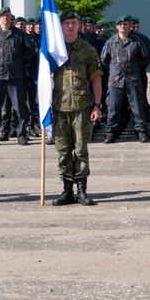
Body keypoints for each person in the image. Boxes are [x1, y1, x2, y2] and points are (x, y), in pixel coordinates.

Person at [50, 11, 103, 206]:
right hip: (58, 107)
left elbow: (96, 78)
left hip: (82, 107)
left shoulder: (88, 50)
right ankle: (67, 190)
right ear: (61, 26)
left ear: (79, 25)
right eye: (67, 23)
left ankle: (82, 191)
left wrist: (97, 105)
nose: (70, 26)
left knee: (81, 149)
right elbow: (43, 79)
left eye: (74, 22)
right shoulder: (53, 51)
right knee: (63, 150)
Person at [0, 6, 34, 146]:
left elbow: (29, 52)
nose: (5, 18)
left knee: (19, 107)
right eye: (3, 16)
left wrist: (19, 63)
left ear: (11, 17)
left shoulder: (19, 35)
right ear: (0, 18)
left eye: (7, 15)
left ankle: (21, 135)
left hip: (15, 76)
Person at [100, 15, 150, 143]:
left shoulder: (137, 41)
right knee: (113, 107)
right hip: (115, 80)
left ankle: (141, 131)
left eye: (126, 24)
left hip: (133, 79)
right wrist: (116, 70)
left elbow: (145, 58)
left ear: (130, 26)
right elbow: (104, 60)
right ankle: (111, 132)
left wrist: (133, 68)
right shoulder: (110, 42)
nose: (123, 26)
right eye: (121, 24)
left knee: (137, 107)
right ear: (117, 26)